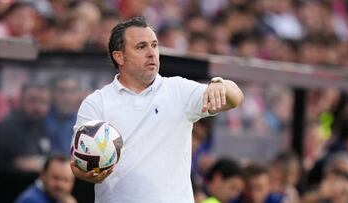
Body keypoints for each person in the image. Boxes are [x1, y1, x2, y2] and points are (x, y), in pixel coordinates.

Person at [70, 16, 244, 203]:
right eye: (141, 46)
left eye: (154, 45)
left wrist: (219, 83)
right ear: (119, 56)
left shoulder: (178, 90)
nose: (152, 52)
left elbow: (235, 98)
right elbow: (78, 163)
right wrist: (89, 175)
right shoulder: (97, 102)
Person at [0, 81, 51, 173]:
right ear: (21, 101)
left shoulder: (41, 126)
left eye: (43, 102)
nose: (38, 107)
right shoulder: (9, 127)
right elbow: (24, 163)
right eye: (32, 100)